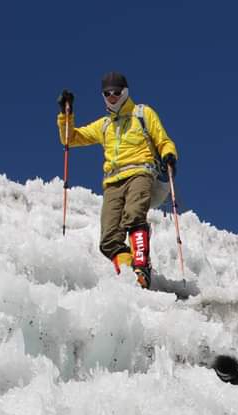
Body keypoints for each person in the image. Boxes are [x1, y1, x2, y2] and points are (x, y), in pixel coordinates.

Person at [56, 72, 178, 289]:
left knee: (134, 216)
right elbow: (70, 138)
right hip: (112, 182)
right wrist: (66, 114)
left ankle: (142, 266)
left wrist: (169, 154)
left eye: (116, 92)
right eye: (107, 93)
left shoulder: (142, 113)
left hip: (140, 172)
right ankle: (129, 272)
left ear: (125, 92)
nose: (112, 97)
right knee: (109, 239)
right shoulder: (104, 125)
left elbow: (163, 139)